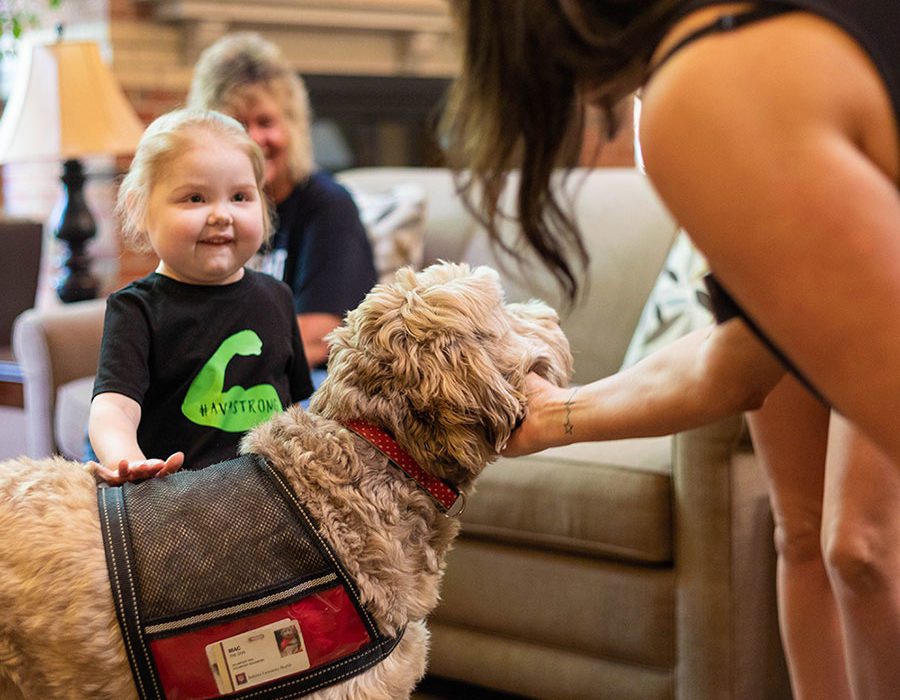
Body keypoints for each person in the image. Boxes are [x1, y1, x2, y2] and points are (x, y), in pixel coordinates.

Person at [440, 2, 899, 699]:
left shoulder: (711, 82)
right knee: (806, 535)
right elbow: (742, 358)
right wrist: (550, 415)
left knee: (856, 545)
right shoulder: (732, 53)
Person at [88, 109, 314, 485]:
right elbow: (113, 407)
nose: (221, 215)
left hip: (271, 496)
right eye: (195, 198)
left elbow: (295, 406)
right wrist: (127, 459)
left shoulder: (277, 296)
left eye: (240, 197)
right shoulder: (136, 309)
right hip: (180, 498)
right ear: (139, 209)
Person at [186, 32, 377, 369]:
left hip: (310, 381)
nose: (255, 140)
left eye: (266, 122)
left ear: (293, 126)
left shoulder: (328, 206)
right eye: (238, 125)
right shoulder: (212, 214)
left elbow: (320, 335)